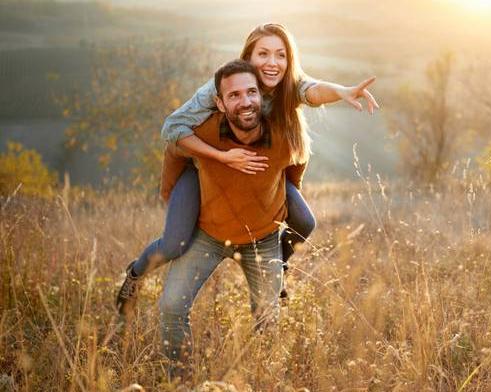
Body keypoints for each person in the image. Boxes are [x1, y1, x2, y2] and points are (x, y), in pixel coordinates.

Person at [115, 23, 379, 315]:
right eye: (263, 53)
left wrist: (342, 91)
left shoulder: (286, 84)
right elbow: (171, 128)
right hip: (205, 167)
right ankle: (135, 275)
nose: (272, 62)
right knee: (175, 243)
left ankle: (277, 269)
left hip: (259, 171)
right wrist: (221, 156)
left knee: (304, 221)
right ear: (248, 58)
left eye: (281, 55)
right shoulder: (225, 86)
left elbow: (312, 91)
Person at [159, 59, 302, 378]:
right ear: (220, 103)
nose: (246, 101)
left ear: (261, 97)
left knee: (269, 317)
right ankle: (178, 381)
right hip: (208, 235)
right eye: (234, 95)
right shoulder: (204, 132)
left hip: (263, 239)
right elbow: (173, 149)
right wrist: (170, 196)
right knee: (171, 306)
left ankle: (266, 381)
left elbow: (296, 162)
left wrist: (286, 197)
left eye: (251, 92)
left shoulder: (282, 133)